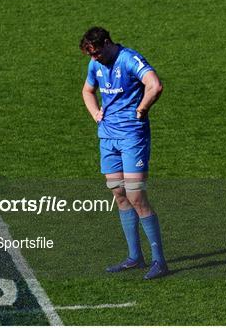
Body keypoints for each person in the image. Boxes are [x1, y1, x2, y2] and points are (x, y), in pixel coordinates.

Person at [79, 26, 168, 280]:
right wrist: (96, 114)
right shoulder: (95, 64)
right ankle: (134, 257)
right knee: (118, 193)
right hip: (108, 137)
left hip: (131, 137)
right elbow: (87, 91)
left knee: (136, 194)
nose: (94, 59)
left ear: (106, 43)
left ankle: (159, 261)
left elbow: (155, 85)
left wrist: (141, 110)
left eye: (96, 53)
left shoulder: (129, 59)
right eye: (90, 55)